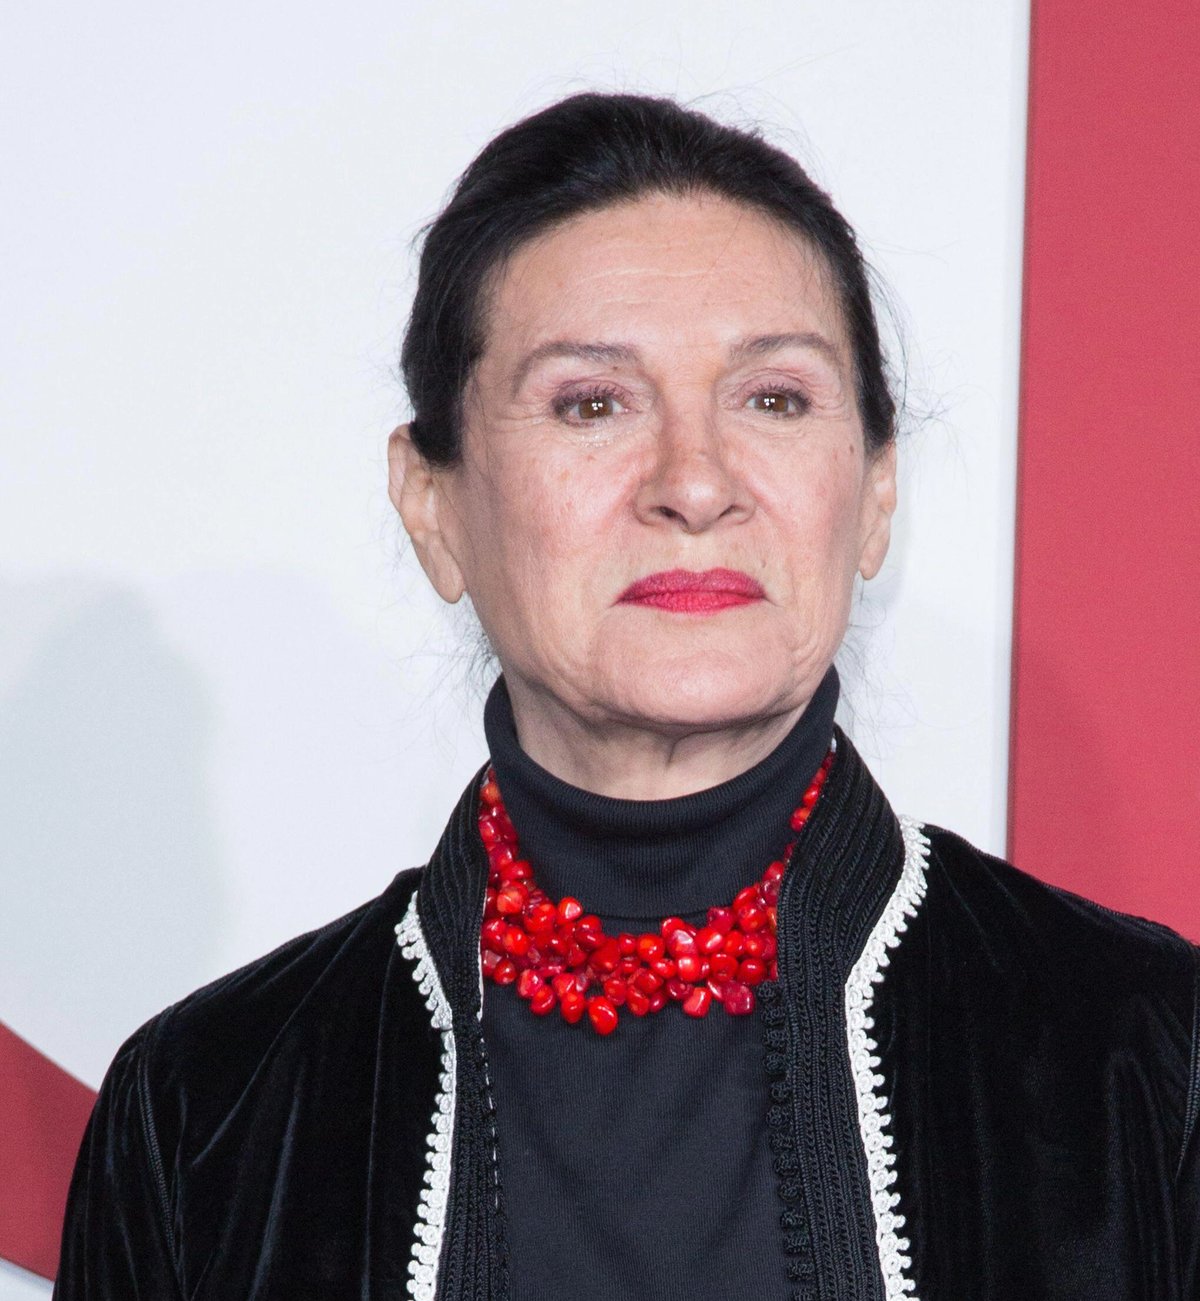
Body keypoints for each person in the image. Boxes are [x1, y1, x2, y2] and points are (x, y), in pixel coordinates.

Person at [54, 92, 1198, 1301]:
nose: (695, 484)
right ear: (431, 502)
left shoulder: (1144, 1056)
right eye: (593, 403)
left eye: (775, 398)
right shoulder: (206, 1114)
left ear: (872, 492)